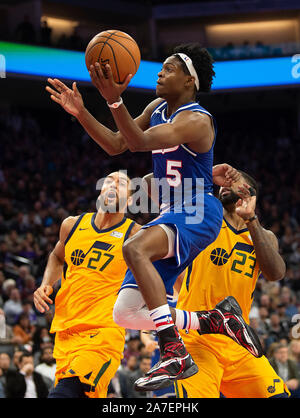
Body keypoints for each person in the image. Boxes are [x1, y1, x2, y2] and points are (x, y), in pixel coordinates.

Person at [45, 43, 263, 391]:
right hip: (171, 211)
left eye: (169, 68)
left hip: (197, 211)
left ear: (190, 80)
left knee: (133, 247)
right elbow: (118, 144)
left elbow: (138, 141)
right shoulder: (157, 107)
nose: (159, 73)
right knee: (126, 312)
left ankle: (173, 349)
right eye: (160, 68)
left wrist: (114, 100)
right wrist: (83, 113)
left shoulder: (196, 119)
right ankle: (213, 319)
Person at [175, 171, 289, 398]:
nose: (226, 184)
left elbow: (276, 273)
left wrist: (251, 219)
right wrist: (208, 172)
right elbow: (157, 184)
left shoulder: (264, 236)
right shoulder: (201, 221)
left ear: (250, 193)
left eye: (235, 181)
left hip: (239, 341)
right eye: (224, 182)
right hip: (197, 339)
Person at [33, 171, 140, 398]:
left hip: (103, 333)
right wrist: (46, 285)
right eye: (108, 181)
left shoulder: (135, 235)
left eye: (120, 184)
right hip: (66, 334)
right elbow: (57, 257)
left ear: (129, 200)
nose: (112, 185)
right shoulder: (72, 225)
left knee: (65, 393)